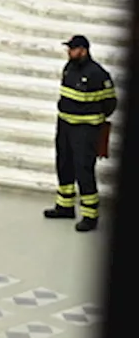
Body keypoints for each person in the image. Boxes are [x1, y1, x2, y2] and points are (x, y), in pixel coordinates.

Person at [44, 35, 117, 232]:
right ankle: (65, 206)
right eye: (69, 48)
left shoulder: (98, 74)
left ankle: (90, 215)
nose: (69, 52)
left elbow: (110, 102)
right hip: (65, 125)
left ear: (83, 50)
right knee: (64, 163)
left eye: (73, 49)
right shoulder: (69, 68)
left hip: (85, 130)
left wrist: (93, 119)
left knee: (84, 169)